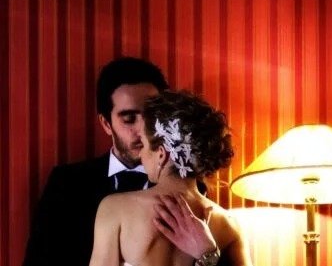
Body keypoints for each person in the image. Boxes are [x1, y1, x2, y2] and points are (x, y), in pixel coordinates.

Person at [22, 57, 217, 266]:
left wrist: (208, 254)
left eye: (152, 117)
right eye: (129, 118)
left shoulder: (193, 189)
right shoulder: (66, 184)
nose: (142, 129)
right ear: (106, 124)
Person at [90, 90, 251, 266]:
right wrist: (209, 254)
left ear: (161, 154)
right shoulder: (229, 225)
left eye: (143, 145)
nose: (141, 154)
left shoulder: (115, 209)